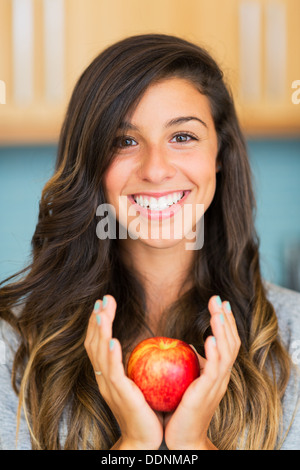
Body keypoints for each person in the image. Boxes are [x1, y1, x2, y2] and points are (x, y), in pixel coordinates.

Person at [0, 33, 299, 450]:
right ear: (90, 162)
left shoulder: (292, 335)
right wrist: (135, 445)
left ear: (219, 152)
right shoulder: (12, 346)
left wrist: (192, 443)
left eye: (182, 137)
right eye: (124, 141)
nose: (156, 170)